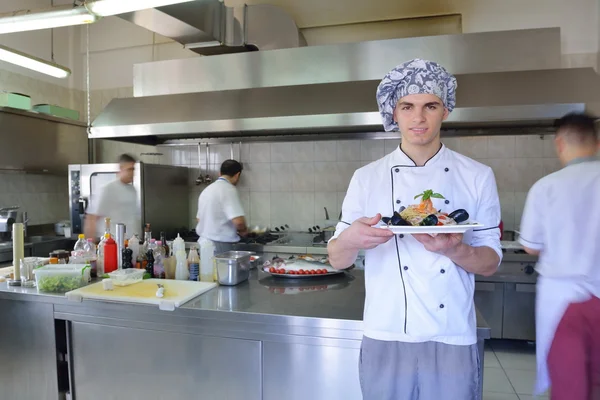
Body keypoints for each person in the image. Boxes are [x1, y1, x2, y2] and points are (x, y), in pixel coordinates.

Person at [327, 59, 503, 400]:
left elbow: (491, 262)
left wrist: (454, 249)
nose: (418, 118)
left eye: (430, 106)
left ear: (446, 111)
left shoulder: (478, 176)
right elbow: (337, 259)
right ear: (394, 113)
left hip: (451, 333)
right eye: (407, 107)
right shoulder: (367, 178)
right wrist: (350, 239)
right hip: (386, 331)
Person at [519, 112, 600, 400]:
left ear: (560, 144)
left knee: (568, 382)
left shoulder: (547, 187)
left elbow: (530, 246)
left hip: (560, 298)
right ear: (597, 143)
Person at [196, 159, 248, 256]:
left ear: (220, 173)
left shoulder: (207, 190)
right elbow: (239, 222)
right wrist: (244, 231)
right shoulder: (229, 189)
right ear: (237, 175)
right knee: (221, 271)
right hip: (220, 246)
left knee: (206, 271)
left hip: (203, 245)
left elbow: (199, 219)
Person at [84, 153, 140, 240]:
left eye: (133, 170)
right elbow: (92, 218)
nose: (132, 173)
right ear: (121, 169)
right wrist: (90, 245)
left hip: (130, 241)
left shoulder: (133, 190)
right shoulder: (107, 190)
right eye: (130, 169)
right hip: (111, 242)